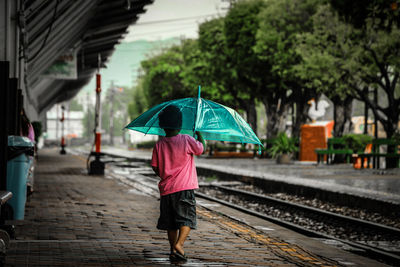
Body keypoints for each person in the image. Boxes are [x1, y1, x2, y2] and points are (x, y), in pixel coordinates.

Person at [151, 105, 206, 262]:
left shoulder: (159, 145)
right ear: (180, 124)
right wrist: (199, 133)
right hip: (184, 189)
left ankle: (173, 250)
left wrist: (164, 173)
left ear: (162, 125)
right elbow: (202, 149)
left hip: (167, 190)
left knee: (171, 223)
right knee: (186, 219)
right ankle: (180, 245)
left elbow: (155, 167)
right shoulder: (186, 140)